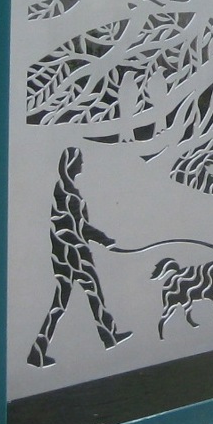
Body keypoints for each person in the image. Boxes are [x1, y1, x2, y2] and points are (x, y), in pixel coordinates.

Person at [27, 146, 132, 367]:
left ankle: (38, 352)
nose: (82, 165)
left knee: (66, 302)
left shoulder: (64, 190)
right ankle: (108, 336)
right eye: (79, 161)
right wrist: (104, 239)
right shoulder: (66, 194)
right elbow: (78, 227)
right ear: (70, 164)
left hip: (65, 255)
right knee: (90, 295)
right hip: (73, 255)